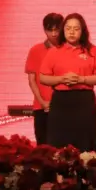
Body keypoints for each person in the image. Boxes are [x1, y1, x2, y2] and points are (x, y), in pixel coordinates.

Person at [38, 13, 96, 150]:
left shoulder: (92, 50)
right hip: (61, 101)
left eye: (76, 29)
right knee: (58, 143)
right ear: (63, 30)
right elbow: (43, 77)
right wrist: (62, 79)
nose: (72, 32)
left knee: (85, 142)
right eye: (68, 28)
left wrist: (82, 79)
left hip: (84, 100)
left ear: (82, 31)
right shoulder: (54, 52)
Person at [24, 13, 63, 144]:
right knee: (43, 146)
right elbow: (32, 80)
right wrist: (42, 102)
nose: (54, 34)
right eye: (50, 30)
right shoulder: (35, 50)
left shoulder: (69, 50)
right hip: (42, 107)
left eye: (57, 30)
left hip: (64, 107)